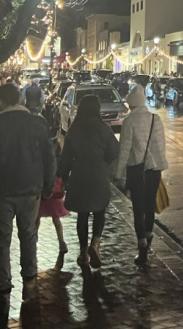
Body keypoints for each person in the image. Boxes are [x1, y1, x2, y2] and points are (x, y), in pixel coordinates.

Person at [0, 84, 55, 321]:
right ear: (20, 98)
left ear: (0, 101)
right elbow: (49, 157)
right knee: (28, 236)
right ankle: (29, 282)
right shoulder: (37, 124)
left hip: (1, 190)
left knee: (1, 241)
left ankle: (4, 290)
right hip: (30, 189)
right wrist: (48, 185)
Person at [59, 95, 119, 269]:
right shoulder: (103, 129)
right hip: (99, 175)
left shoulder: (74, 129)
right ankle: (95, 243)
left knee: (83, 215)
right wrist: (105, 162)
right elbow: (114, 151)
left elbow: (66, 157)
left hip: (79, 175)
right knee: (100, 211)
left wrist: (62, 177)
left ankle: (84, 253)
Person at [116, 84, 168, 265]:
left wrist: (119, 174)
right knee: (149, 206)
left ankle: (142, 248)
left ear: (132, 105)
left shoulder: (129, 122)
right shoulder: (156, 119)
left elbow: (124, 151)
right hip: (154, 171)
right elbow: (161, 146)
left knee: (138, 209)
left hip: (136, 170)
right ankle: (148, 240)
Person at [37, 137, 70, 255]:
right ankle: (61, 241)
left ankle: (33, 240)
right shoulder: (58, 157)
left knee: (37, 216)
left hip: (43, 186)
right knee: (55, 217)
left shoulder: (41, 154)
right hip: (55, 186)